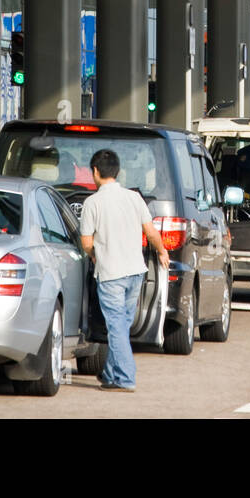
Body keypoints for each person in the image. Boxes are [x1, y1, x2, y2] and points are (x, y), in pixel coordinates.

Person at [79, 148, 171, 392]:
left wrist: (95, 256)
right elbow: (151, 232)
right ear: (117, 172)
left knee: (116, 327)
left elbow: (86, 242)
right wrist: (162, 251)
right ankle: (110, 375)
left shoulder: (92, 203)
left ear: (95, 172)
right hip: (135, 273)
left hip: (111, 274)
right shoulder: (134, 198)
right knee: (121, 326)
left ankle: (126, 378)